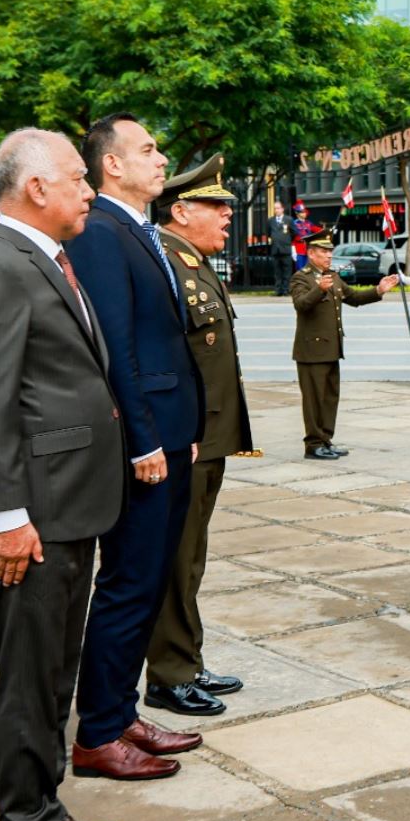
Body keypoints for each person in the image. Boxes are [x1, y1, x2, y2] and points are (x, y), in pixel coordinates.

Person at [0, 128, 129, 821]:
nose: (90, 190)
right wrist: (8, 518)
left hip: (70, 505)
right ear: (35, 188)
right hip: (32, 516)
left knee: (55, 673)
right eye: (79, 178)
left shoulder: (44, 259)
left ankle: (47, 808)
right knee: (27, 679)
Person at [63, 114, 207, 762]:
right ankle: (98, 729)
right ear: (111, 164)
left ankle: (122, 713)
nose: (161, 158)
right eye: (148, 149)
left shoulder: (139, 229)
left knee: (149, 580)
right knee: (128, 581)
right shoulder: (100, 231)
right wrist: (145, 441)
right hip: (144, 440)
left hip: (173, 432)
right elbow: (116, 344)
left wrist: (188, 431)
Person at [145, 156, 252, 717]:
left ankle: (186, 656)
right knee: (176, 557)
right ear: (181, 211)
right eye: (218, 207)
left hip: (208, 438)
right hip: (187, 439)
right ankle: (168, 673)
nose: (228, 217)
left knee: (191, 559)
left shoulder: (194, 262)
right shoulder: (165, 262)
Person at [290, 230, 399, 459]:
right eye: (323, 252)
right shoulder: (302, 277)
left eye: (330, 251)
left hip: (332, 349)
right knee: (314, 400)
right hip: (311, 351)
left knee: (330, 398)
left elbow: (354, 298)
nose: (329, 256)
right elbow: (301, 304)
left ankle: (325, 439)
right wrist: (318, 290)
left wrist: (378, 290)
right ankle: (313, 444)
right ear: (311, 253)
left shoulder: (333, 276)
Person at [268, 199, 296, 294]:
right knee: (277, 272)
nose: (277, 210)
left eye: (278, 208)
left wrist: (287, 240)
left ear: (282, 209)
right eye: (275, 208)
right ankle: (278, 290)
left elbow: (294, 232)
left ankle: (285, 289)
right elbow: (268, 232)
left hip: (286, 249)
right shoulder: (271, 220)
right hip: (276, 250)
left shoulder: (288, 220)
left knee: (287, 271)